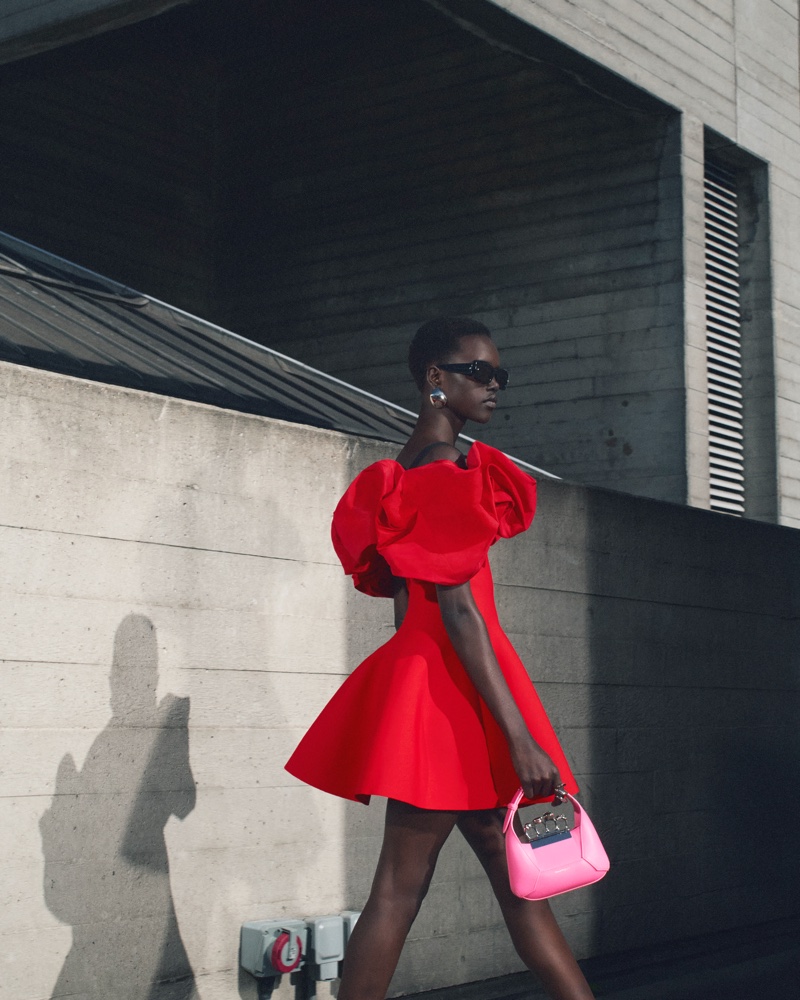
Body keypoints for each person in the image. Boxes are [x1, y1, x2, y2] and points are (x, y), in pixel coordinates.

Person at [285, 317, 595, 1000]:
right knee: (413, 891)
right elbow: (456, 610)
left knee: (486, 886)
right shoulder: (444, 468)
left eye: (499, 375)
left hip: (437, 693)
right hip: (456, 699)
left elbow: (412, 609)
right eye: (477, 372)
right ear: (435, 378)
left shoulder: (404, 470)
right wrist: (519, 738)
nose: (494, 386)